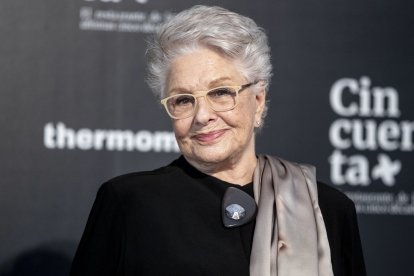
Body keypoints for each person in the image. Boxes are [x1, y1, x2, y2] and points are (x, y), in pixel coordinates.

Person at [70, 5, 366, 276]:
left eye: (221, 93)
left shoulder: (326, 208)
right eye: (183, 99)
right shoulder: (129, 203)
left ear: (259, 100)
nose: (202, 116)